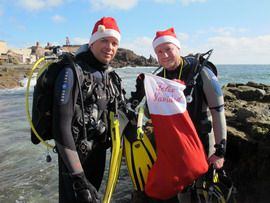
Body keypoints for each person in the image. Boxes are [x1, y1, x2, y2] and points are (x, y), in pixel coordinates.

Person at [129, 27, 227, 202]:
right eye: (159, 51)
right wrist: (139, 90)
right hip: (176, 146)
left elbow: (218, 110)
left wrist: (220, 151)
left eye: (168, 49)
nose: (164, 55)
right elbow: (150, 113)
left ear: (178, 49)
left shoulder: (201, 72)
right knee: (182, 192)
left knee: (203, 191)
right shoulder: (158, 78)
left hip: (203, 142)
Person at [52, 17, 126, 203]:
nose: (110, 47)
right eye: (104, 40)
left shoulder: (108, 76)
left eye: (114, 43)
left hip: (98, 154)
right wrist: (78, 178)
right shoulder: (72, 73)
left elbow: (119, 113)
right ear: (92, 42)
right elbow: (60, 128)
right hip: (74, 159)